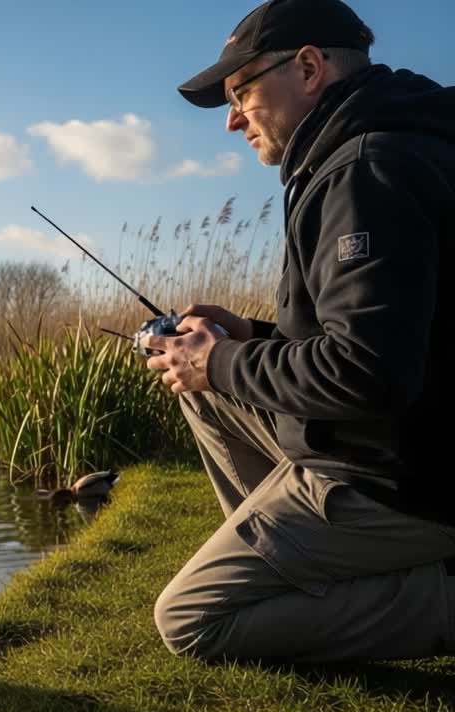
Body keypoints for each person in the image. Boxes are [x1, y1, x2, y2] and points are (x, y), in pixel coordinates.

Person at [144, 0, 455, 662]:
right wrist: (246, 337)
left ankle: (436, 596)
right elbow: (395, 335)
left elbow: (369, 372)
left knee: (190, 621)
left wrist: (219, 360)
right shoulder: (384, 148)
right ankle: (301, 562)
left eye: (241, 92)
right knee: (201, 387)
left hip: (401, 478)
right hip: (397, 445)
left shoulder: (366, 171)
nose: (231, 119)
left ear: (309, 67)